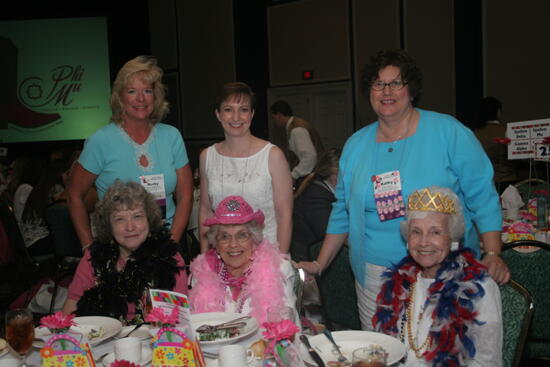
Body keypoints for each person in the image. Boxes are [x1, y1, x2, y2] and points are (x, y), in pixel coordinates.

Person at [296, 49, 509, 330]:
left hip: (440, 270)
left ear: (411, 89)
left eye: (396, 82)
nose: (387, 91)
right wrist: (320, 263)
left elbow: (482, 195)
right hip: (373, 276)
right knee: (381, 352)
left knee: (437, 352)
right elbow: (341, 211)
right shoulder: (356, 146)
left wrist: (493, 253)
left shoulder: (448, 132)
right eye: (378, 84)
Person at [68, 55, 193, 251]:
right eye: (132, 91)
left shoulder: (171, 136)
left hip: (166, 244)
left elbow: (185, 196)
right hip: (117, 248)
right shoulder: (100, 140)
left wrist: (171, 245)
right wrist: (87, 247)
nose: (141, 98)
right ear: (120, 97)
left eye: (147, 91)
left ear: (156, 97)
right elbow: (74, 194)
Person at [373, 186, 502, 366]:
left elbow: (487, 362)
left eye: (435, 232)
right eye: (416, 232)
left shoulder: (479, 289)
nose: (424, 242)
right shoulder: (397, 284)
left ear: (453, 238)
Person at [62, 180, 188, 323]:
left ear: (149, 220)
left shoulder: (170, 258)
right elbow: (69, 312)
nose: (130, 227)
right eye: (120, 219)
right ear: (109, 226)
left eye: (137, 216)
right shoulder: (92, 258)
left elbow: (180, 320)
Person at [199, 82, 293, 253]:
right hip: (224, 255)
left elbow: (284, 215)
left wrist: (281, 262)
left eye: (243, 109)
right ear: (218, 114)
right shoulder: (207, 156)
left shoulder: (272, 155)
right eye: (228, 110)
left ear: (252, 114)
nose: (236, 117)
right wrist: (205, 258)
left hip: (266, 258)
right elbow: (206, 210)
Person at [190, 195, 297, 324]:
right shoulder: (202, 274)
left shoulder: (278, 270)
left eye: (242, 235)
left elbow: (286, 328)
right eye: (224, 236)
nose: (233, 244)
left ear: (254, 240)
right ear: (216, 245)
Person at [291, 147, 342, 262]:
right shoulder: (316, 195)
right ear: (332, 175)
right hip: (305, 259)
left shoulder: (320, 187)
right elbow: (329, 232)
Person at [17, 158, 71, 256]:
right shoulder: (57, 189)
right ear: (60, 174)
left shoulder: (41, 188)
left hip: (28, 243)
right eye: (67, 173)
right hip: (39, 243)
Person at [270, 100, 325, 185]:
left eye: (273, 118)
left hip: (311, 180)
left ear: (279, 115)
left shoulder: (297, 130)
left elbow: (310, 158)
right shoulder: (297, 125)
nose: (273, 121)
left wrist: (293, 175)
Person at [473, 96, 519, 191]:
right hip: (507, 182)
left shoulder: (474, 134)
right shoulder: (507, 131)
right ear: (498, 112)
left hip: (482, 183)